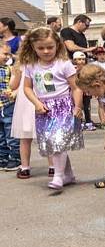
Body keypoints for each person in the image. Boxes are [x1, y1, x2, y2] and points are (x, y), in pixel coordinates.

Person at [19, 27, 84, 190]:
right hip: (44, 109)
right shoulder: (31, 65)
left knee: (58, 141)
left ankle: (58, 175)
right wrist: (36, 103)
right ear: (33, 47)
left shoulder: (64, 64)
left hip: (63, 107)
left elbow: (76, 87)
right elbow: (27, 88)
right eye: (41, 48)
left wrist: (78, 106)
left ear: (57, 45)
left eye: (50, 47)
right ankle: (68, 175)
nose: (46, 51)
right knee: (53, 143)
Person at [9, 61, 54, 179]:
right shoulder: (29, 65)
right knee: (38, 136)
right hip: (34, 102)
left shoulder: (26, 66)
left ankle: (29, 168)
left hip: (33, 101)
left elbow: (13, 86)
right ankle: (47, 167)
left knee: (33, 137)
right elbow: (13, 86)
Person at [0, 43, 21, 172]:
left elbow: (18, 83)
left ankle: (15, 157)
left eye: (9, 54)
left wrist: (13, 92)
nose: (7, 57)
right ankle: (2, 157)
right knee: (0, 135)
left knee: (10, 133)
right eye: (5, 54)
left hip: (8, 105)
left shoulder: (10, 69)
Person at [72, 52, 95, 131]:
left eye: (83, 59)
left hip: (86, 91)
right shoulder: (72, 69)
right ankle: (80, 122)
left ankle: (88, 122)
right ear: (74, 60)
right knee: (79, 106)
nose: (81, 61)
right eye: (79, 59)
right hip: (77, 91)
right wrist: (77, 71)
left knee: (87, 107)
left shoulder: (87, 69)